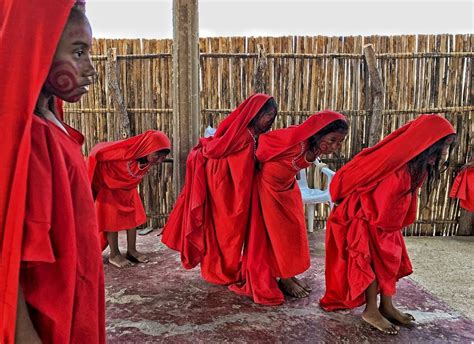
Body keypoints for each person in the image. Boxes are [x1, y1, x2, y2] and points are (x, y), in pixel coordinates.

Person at [0, 2, 106, 343]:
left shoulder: (52, 124)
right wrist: (24, 335)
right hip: (50, 318)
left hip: (75, 298)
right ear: (39, 48)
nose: (90, 68)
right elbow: (13, 255)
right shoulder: (32, 138)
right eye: (78, 53)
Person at [320, 114, 456, 335]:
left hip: (383, 220)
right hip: (365, 218)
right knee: (373, 263)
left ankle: (387, 305)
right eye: (441, 147)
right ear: (426, 143)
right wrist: (387, 229)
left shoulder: (414, 164)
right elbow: (381, 203)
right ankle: (371, 310)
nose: (443, 153)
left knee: (389, 262)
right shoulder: (396, 166)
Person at [229, 111, 348, 305]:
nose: (336, 146)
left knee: (294, 232)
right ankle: (284, 277)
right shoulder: (294, 141)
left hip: (287, 188)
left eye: (340, 141)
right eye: (333, 139)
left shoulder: (316, 147)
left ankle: (288, 274)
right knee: (278, 236)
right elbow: (261, 147)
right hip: (268, 189)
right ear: (318, 134)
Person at [162, 94, 277, 285]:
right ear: (256, 114)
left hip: (232, 188)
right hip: (225, 190)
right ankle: (219, 270)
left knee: (229, 233)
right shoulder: (243, 135)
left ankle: (224, 268)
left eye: (273, 116)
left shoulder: (250, 134)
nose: (271, 121)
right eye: (268, 115)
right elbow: (215, 150)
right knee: (225, 232)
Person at [88, 131, 171, 268]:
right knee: (111, 222)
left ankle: (132, 250)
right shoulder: (122, 155)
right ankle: (114, 254)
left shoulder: (147, 159)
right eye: (157, 156)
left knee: (133, 220)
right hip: (110, 190)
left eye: (163, 157)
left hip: (129, 190)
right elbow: (97, 154)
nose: (160, 160)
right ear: (147, 149)